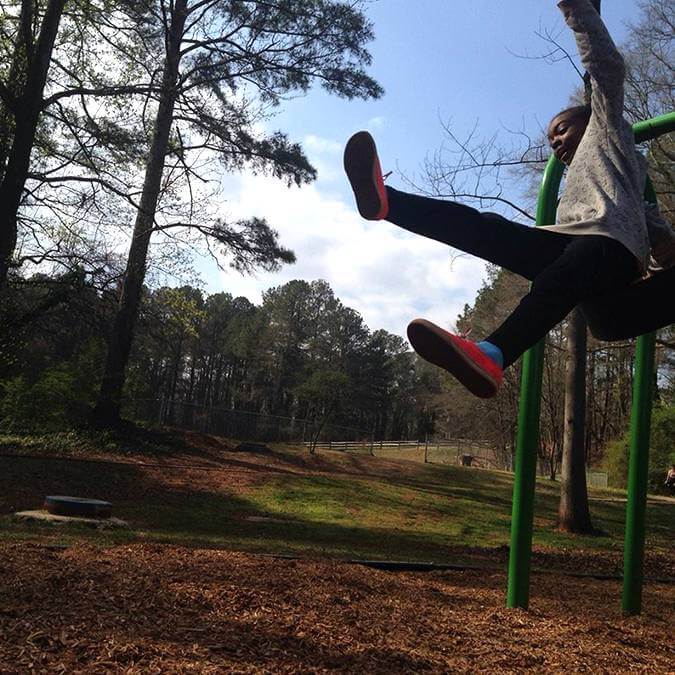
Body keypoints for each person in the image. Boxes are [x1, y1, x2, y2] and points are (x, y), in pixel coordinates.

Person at [343, 0, 675, 398]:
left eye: (562, 129)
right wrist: (661, 249)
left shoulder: (608, 131)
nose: (554, 142)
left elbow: (608, 67)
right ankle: (386, 203)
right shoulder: (593, 183)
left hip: (608, 250)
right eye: (551, 139)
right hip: (590, 274)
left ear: (594, 118)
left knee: (562, 273)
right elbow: (651, 223)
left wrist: (574, 7)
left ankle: (493, 354)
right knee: (486, 229)